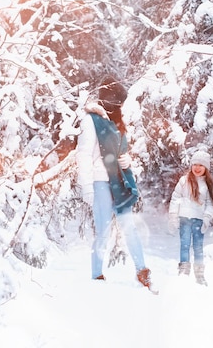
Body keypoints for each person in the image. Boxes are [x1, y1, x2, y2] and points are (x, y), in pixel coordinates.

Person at [76, 76, 154, 291]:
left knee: (129, 227)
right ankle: (97, 275)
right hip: (100, 182)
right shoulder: (90, 120)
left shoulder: (117, 122)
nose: (117, 104)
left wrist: (126, 160)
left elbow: (122, 151)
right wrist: (87, 187)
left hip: (119, 184)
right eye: (115, 99)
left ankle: (142, 271)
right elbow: (83, 155)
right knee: (103, 231)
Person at [168, 150, 213, 285]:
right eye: (195, 164)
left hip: (199, 220)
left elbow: (211, 203)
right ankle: (184, 272)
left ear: (206, 168)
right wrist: (173, 215)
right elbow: (175, 198)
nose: (197, 168)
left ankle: (199, 275)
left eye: (201, 165)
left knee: (198, 247)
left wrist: (207, 218)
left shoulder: (208, 185)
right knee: (184, 245)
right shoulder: (184, 181)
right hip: (184, 218)